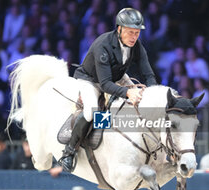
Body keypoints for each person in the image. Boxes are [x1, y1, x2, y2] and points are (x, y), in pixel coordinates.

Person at [58, 8, 157, 172]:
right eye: (130, 32)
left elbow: (149, 74)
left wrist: (153, 94)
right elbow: (105, 84)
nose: (134, 37)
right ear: (119, 29)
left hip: (117, 76)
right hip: (91, 80)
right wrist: (127, 92)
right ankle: (69, 151)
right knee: (92, 111)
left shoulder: (137, 45)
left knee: (139, 100)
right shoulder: (103, 45)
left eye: (137, 33)